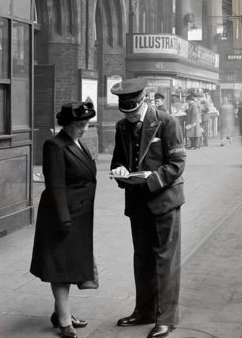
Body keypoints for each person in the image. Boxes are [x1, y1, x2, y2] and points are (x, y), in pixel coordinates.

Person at [109, 78, 186, 338]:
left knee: (166, 260)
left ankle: (166, 318)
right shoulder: (121, 126)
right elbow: (118, 159)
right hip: (137, 203)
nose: (129, 119)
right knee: (142, 259)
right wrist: (119, 171)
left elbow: (177, 163)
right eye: (125, 114)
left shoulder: (166, 122)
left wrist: (151, 179)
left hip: (164, 201)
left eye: (133, 114)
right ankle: (143, 311)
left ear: (143, 101)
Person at [30, 100, 98, 337]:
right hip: (62, 215)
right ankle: (64, 321)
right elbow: (56, 185)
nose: (84, 128)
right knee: (60, 267)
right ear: (67, 124)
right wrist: (63, 219)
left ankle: (60, 312)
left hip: (79, 215)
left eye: (87, 123)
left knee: (67, 266)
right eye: (80, 124)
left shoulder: (77, 143)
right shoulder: (54, 145)